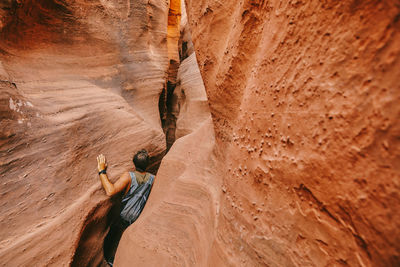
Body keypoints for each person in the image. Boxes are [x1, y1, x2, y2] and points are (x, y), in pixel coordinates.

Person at [96, 149, 155, 266]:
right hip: (139, 216)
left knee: (113, 240)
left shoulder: (129, 176)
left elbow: (110, 191)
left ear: (134, 163)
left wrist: (102, 171)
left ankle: (112, 261)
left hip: (124, 215)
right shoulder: (153, 179)